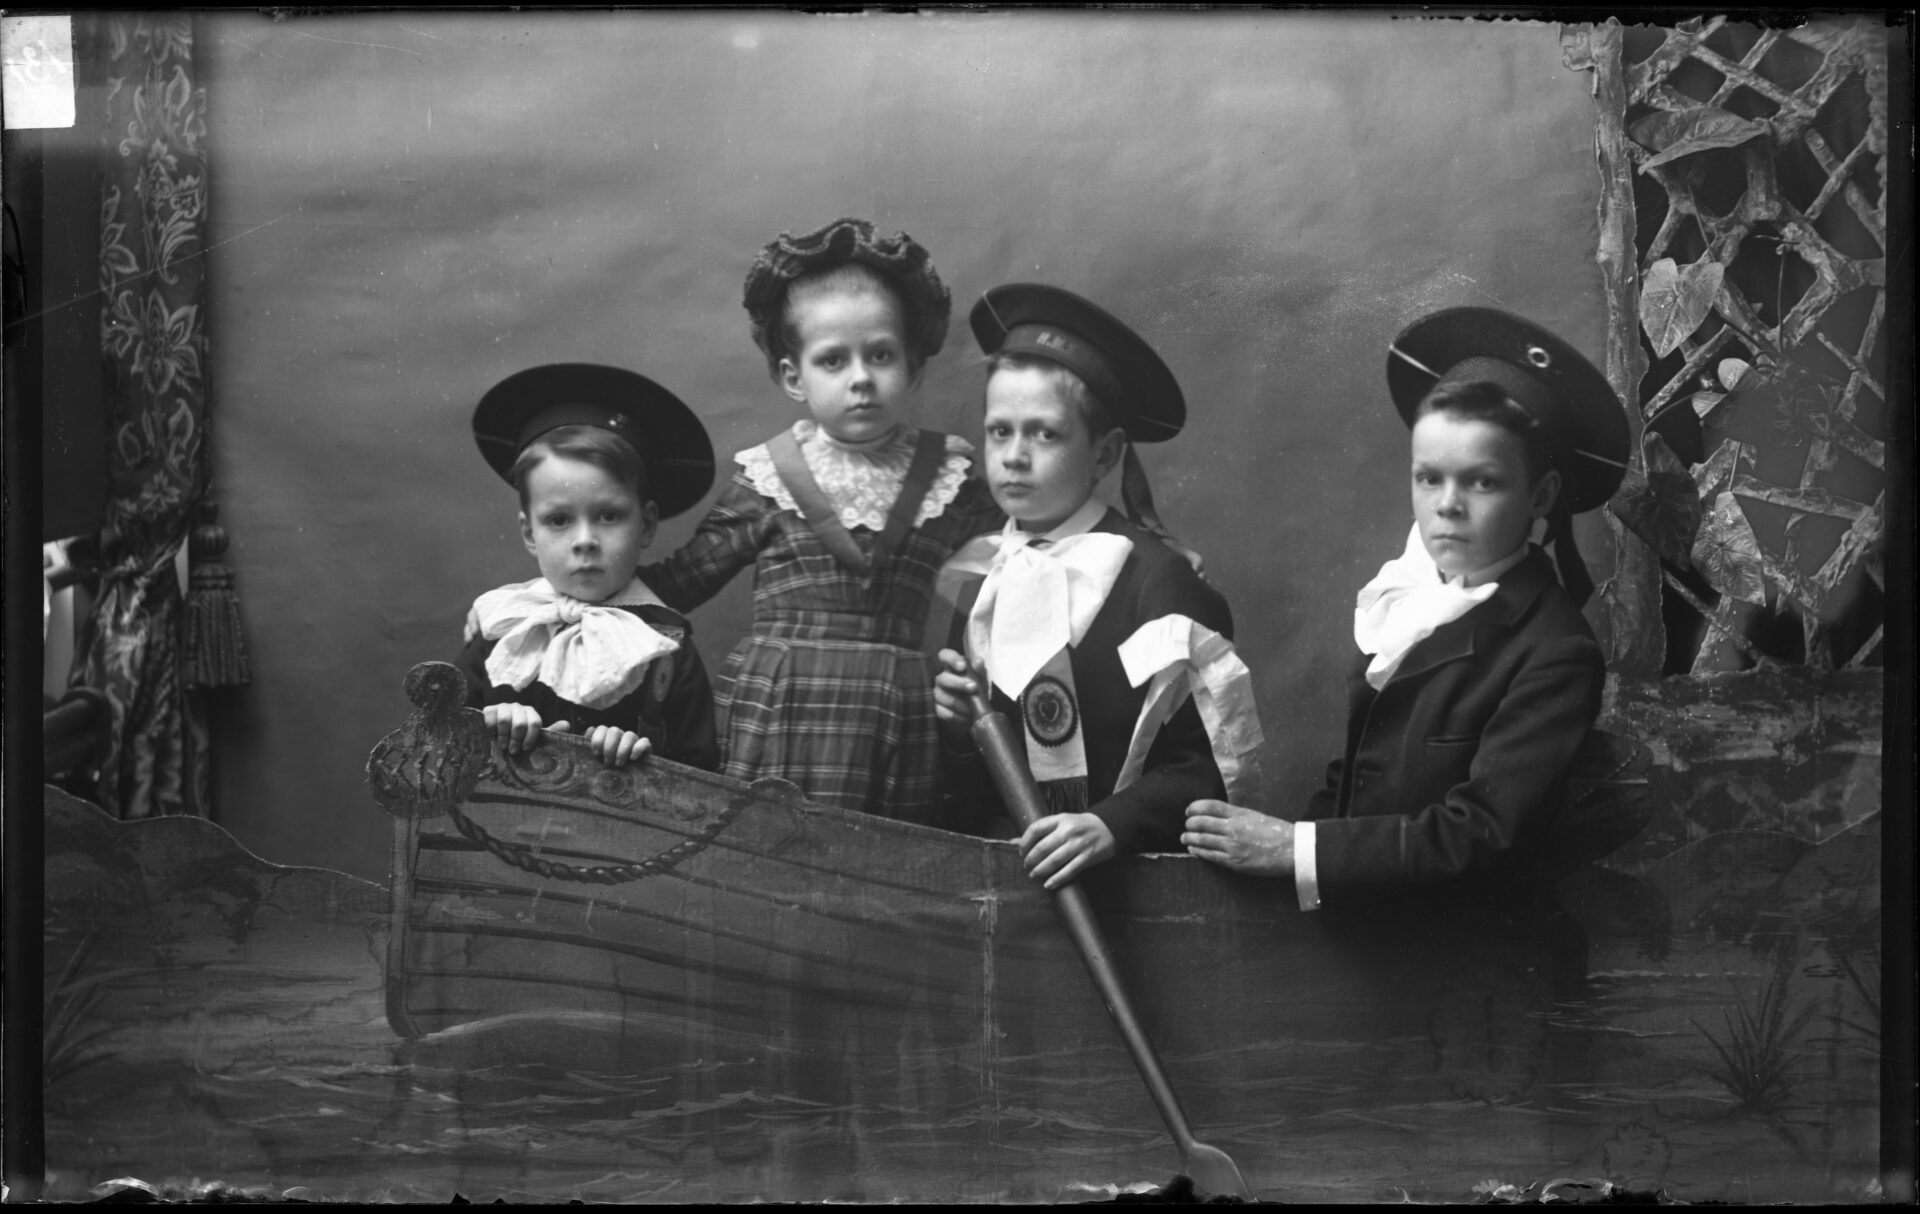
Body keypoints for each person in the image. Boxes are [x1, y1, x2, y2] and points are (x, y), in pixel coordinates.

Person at [1182, 307, 1630, 909]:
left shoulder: (1554, 649)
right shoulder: (1411, 597)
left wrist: (1297, 850)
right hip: (1371, 928)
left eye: (1482, 482)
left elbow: (1483, 834)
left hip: (1464, 960)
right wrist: (1281, 864)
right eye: (1428, 478)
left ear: (1540, 495)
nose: (1447, 505)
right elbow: (1357, 779)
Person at [642, 218, 1000, 822]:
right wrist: (551, 602)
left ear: (913, 368)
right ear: (793, 377)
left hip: (898, 716)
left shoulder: (953, 481)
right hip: (778, 712)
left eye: (881, 355)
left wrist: (1123, 549)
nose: (860, 378)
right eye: (833, 360)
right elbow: (682, 581)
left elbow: (1025, 556)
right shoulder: (768, 478)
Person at [933, 284, 1263, 891]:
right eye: (999, 432)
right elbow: (970, 784)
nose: (1014, 457)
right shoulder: (984, 576)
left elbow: (1210, 764)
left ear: (1105, 453)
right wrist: (961, 729)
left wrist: (1110, 824)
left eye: (1045, 435)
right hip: (1013, 882)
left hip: (1138, 884)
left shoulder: (1159, 582)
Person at [457, 363, 721, 771]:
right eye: (559, 520)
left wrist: (642, 758)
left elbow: (701, 769)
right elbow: (440, 753)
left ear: (646, 524)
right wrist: (488, 731)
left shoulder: (666, 646)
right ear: (530, 533)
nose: (584, 540)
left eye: (609, 516)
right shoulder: (501, 629)